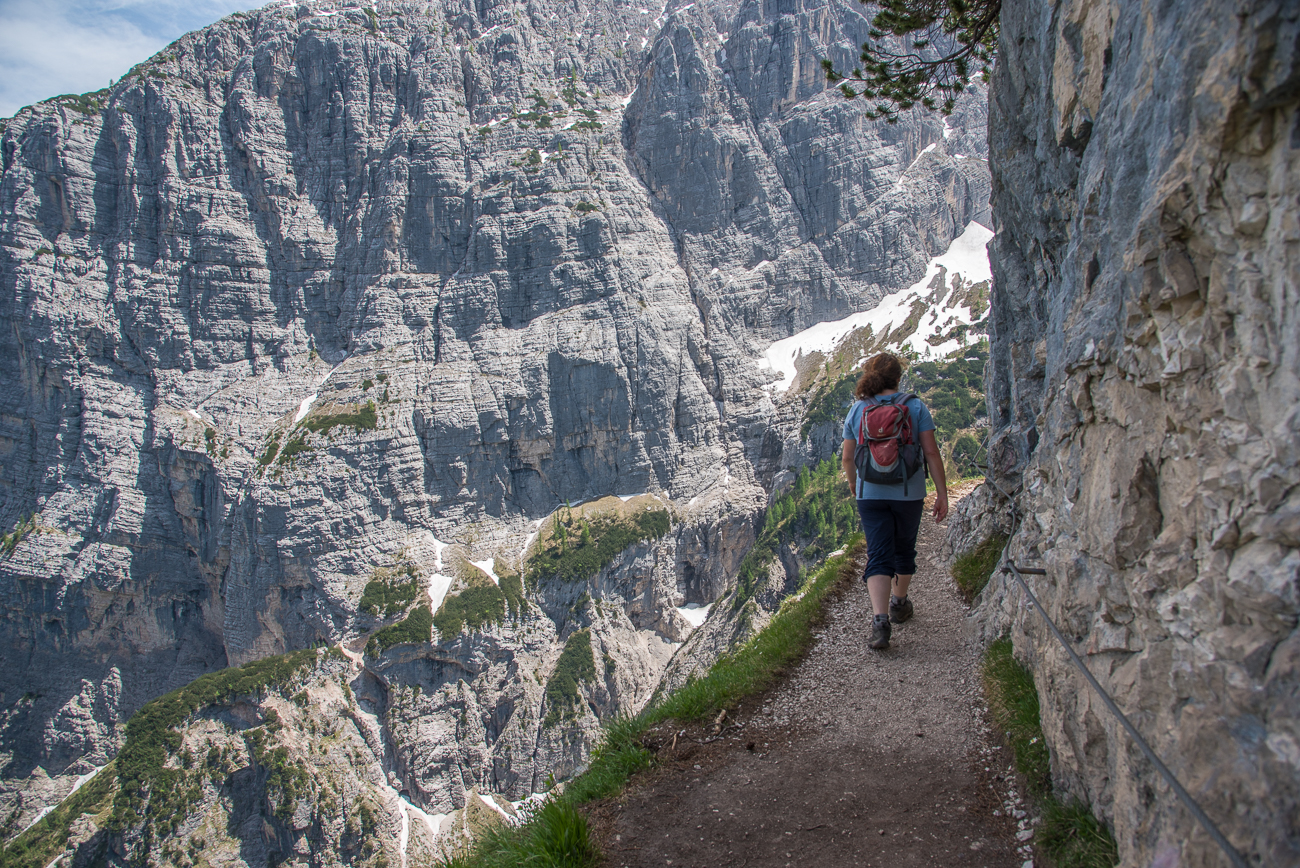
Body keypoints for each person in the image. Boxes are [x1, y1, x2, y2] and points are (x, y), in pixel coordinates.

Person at [841, 353, 948, 650]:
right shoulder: (915, 406)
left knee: (877, 553)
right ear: (899, 378)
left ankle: (880, 622)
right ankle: (899, 604)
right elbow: (931, 452)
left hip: (870, 494)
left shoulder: (858, 409)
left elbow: (848, 457)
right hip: (908, 493)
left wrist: (854, 483)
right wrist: (942, 492)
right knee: (904, 548)